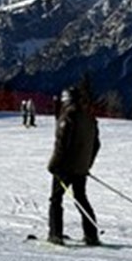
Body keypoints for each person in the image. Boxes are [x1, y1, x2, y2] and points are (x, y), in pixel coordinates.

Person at [46, 87, 101, 246]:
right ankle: (91, 235)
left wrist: (53, 165)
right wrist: (86, 164)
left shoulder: (67, 118)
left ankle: (55, 234)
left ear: (66, 100)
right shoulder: (90, 118)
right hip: (81, 168)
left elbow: (61, 145)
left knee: (56, 199)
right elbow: (96, 144)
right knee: (80, 198)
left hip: (65, 167)